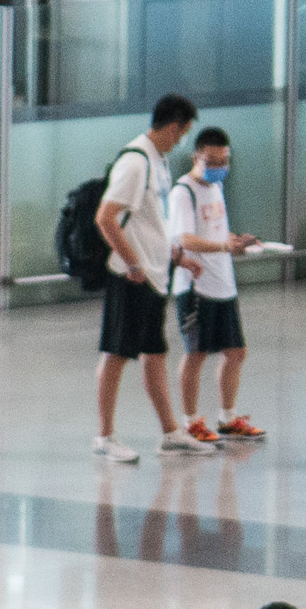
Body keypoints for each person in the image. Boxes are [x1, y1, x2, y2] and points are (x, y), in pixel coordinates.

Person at [92, 96, 197, 458]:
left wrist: (175, 257)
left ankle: (170, 432)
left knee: (154, 353)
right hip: (131, 276)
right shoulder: (136, 162)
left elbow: (154, 220)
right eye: (183, 132)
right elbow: (106, 217)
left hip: (154, 275)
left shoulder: (159, 161)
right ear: (172, 127)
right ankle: (104, 437)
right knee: (117, 354)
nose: (182, 139)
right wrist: (133, 263)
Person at [159, 125, 259, 442]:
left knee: (236, 351)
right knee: (196, 353)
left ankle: (228, 417)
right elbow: (185, 239)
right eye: (212, 161)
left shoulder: (215, 189)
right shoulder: (182, 192)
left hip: (222, 283)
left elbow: (214, 231)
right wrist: (223, 247)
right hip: (197, 286)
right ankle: (190, 422)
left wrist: (234, 241)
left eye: (224, 161)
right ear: (197, 156)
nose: (218, 168)